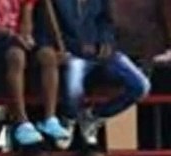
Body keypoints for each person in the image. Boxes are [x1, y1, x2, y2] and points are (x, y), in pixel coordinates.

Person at [41, 0, 151, 146]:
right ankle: (69, 119)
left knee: (142, 86)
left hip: (102, 53)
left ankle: (94, 116)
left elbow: (105, 21)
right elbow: (47, 29)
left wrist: (105, 41)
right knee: (74, 85)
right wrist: (76, 47)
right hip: (74, 53)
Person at [0, 0, 69, 146]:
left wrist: (26, 36)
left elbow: (27, 17)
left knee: (48, 56)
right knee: (17, 57)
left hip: (18, 37)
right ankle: (21, 120)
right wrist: (11, 35)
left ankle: (50, 118)